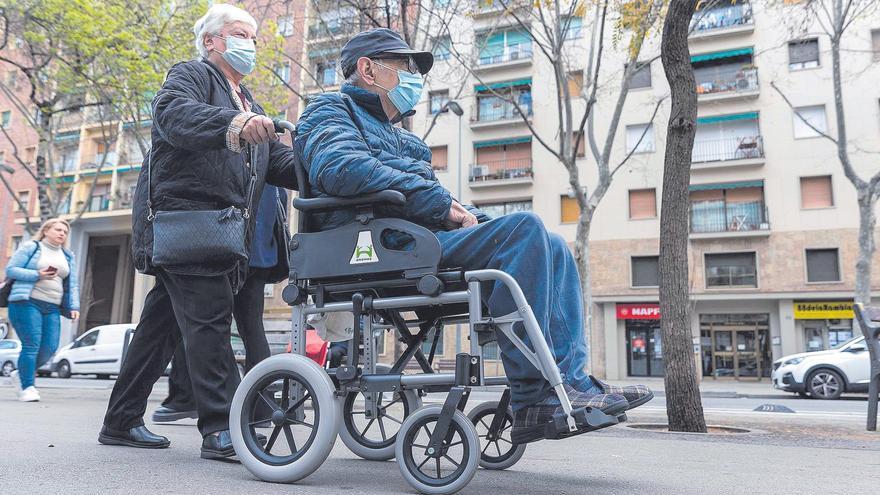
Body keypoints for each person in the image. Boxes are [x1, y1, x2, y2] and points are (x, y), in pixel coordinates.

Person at [294, 28, 653, 444]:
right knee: (526, 230)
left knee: (551, 243)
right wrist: (438, 204)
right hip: (372, 244)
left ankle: (569, 382)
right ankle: (534, 398)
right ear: (367, 69)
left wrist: (472, 218)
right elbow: (341, 169)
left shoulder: (406, 140)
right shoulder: (329, 110)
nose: (415, 78)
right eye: (406, 67)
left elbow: (440, 200)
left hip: (412, 239)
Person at [98, 4, 298, 459]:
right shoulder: (190, 75)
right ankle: (221, 429)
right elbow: (174, 116)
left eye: (253, 37)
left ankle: (120, 420)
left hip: (212, 231)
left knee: (159, 330)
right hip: (189, 222)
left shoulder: (251, 102)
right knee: (209, 320)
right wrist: (236, 125)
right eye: (238, 34)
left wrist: (320, 165)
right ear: (212, 41)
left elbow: (275, 164)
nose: (250, 43)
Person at [152, 185, 289, 423]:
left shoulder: (243, 159)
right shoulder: (271, 173)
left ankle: (191, 398)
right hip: (260, 254)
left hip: (228, 245)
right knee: (251, 329)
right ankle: (262, 407)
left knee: (205, 321)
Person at [5, 218, 80, 402]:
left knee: (49, 348)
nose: (62, 233)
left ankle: (21, 374)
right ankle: (28, 387)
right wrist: (37, 274)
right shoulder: (32, 247)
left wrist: (74, 305)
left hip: (52, 306)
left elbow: (73, 284)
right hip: (26, 302)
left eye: (65, 231)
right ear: (46, 230)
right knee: (32, 345)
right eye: (58, 229)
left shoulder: (68, 256)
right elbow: (11, 269)